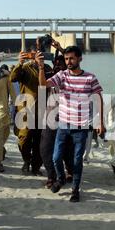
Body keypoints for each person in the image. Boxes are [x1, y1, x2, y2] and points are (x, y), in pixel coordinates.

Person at [39, 46, 105, 202]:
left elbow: (98, 99)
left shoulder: (90, 78)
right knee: (56, 158)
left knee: (76, 160)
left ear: (80, 58)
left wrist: (100, 121)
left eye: (72, 58)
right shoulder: (61, 76)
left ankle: (75, 190)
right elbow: (43, 85)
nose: (69, 62)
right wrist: (41, 67)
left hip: (81, 128)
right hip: (63, 125)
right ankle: (61, 179)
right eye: (67, 59)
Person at [10, 45, 49, 176]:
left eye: (39, 55)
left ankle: (36, 167)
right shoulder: (25, 68)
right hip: (26, 111)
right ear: (29, 55)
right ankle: (26, 160)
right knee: (24, 139)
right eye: (34, 55)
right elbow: (13, 78)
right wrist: (20, 62)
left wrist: (42, 66)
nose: (36, 58)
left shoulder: (47, 68)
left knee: (39, 142)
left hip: (43, 111)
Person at [40, 53, 75, 189]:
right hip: (50, 119)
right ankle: (51, 176)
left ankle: (70, 171)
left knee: (68, 149)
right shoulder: (50, 78)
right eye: (57, 64)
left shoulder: (73, 78)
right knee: (46, 148)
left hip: (69, 119)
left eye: (63, 64)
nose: (59, 67)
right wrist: (41, 66)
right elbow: (42, 84)